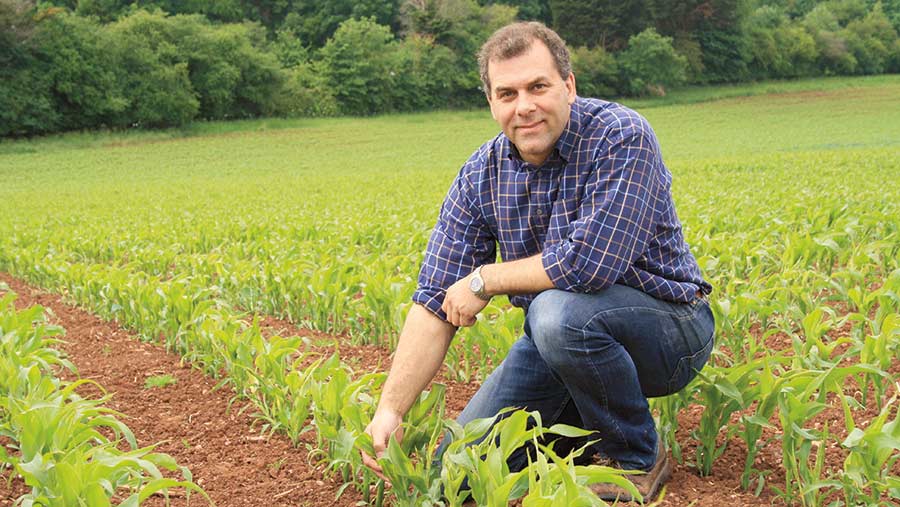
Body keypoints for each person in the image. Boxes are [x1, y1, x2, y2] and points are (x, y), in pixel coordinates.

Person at [361, 21, 715, 503]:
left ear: (568, 86)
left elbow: (587, 266)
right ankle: (581, 429)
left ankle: (636, 457)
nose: (523, 106)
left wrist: (485, 278)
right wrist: (390, 410)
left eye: (538, 87)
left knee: (555, 314)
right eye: (507, 93)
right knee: (460, 472)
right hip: (562, 344)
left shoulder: (620, 136)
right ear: (491, 103)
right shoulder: (480, 175)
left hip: (669, 333)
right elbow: (434, 301)